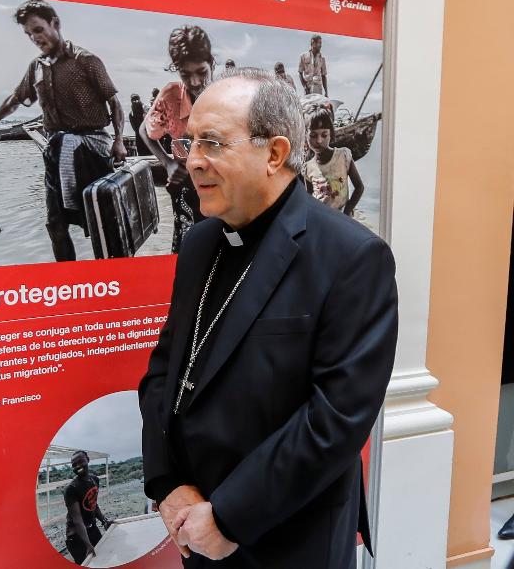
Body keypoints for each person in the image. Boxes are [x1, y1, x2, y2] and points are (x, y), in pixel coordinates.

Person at [137, 69, 397, 567]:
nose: (192, 161)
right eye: (189, 142)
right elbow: (165, 372)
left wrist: (229, 517)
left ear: (275, 153)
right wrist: (167, 483)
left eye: (211, 143)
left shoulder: (352, 256)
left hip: (287, 532)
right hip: (195, 522)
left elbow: (335, 419)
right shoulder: (199, 242)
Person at [0, 0, 126, 261]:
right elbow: (15, 99)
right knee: (55, 224)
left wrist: (119, 140)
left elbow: (114, 102)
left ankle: (111, 278)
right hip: (56, 153)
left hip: (92, 153)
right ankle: (66, 281)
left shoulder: (86, 61)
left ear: (55, 24)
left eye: (38, 30)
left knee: (102, 222)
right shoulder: (36, 67)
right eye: (29, 34)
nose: (35, 38)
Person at [139, 25, 213, 253]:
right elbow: (145, 130)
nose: (195, 81)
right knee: (187, 248)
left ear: (211, 63)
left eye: (202, 72)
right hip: (185, 184)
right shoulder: (171, 96)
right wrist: (168, 163)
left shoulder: (224, 93)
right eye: (185, 74)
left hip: (221, 181)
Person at [302, 102, 364, 215]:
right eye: (313, 135)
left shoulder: (343, 156)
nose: (319, 140)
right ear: (306, 136)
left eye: (324, 135)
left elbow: (359, 187)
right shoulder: (307, 167)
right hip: (321, 219)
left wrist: (347, 211)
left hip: (341, 219)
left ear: (331, 134)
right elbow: (309, 198)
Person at [64, 450, 111, 564]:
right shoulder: (71, 489)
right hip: (77, 537)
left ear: (88, 460)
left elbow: (93, 504)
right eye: (74, 465)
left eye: (80, 462)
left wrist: (104, 520)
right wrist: (87, 544)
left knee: (104, 560)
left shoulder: (94, 479)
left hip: (92, 529)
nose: (78, 466)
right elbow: (77, 520)